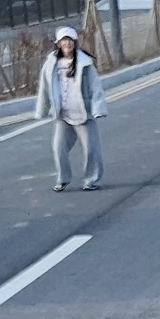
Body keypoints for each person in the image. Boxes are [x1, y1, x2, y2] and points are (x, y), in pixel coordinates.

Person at [35, 24, 107, 193]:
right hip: (63, 115)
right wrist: (42, 110)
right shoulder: (51, 64)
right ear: (58, 44)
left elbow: (95, 87)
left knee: (91, 149)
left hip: (83, 113)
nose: (67, 44)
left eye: (70, 40)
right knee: (58, 148)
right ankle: (63, 179)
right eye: (63, 41)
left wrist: (97, 109)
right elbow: (45, 89)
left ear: (75, 42)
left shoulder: (85, 63)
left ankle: (91, 179)